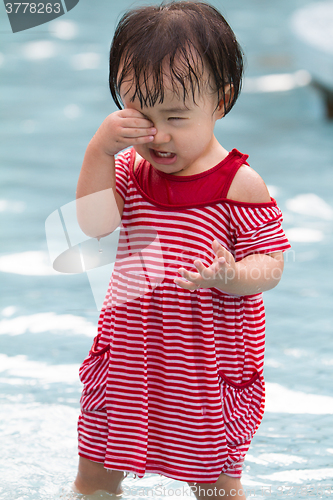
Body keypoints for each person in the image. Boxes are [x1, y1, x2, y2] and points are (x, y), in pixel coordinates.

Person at [72, 2, 291, 498]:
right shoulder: (126, 168)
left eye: (175, 116)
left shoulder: (240, 185)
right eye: (140, 115)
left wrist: (229, 275)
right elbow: (94, 227)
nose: (159, 134)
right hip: (130, 360)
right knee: (94, 479)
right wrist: (98, 149)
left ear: (221, 101)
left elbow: (272, 266)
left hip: (204, 372)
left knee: (214, 485)